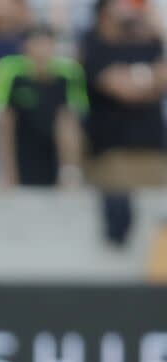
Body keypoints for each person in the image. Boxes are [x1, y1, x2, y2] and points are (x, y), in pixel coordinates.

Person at [82, 0, 167, 246]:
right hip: (113, 153)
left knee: (156, 229)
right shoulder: (94, 45)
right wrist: (147, 81)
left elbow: (163, 76)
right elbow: (122, 89)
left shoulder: (146, 43)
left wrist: (140, 80)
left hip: (153, 151)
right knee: (122, 232)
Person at [0, 25, 88, 188]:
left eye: (47, 45)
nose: (42, 51)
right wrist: (7, 172)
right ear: (25, 47)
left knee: (67, 121)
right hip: (22, 146)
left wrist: (71, 169)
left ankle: (69, 173)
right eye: (37, 44)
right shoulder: (8, 70)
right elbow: (2, 122)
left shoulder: (69, 72)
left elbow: (71, 120)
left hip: (53, 150)